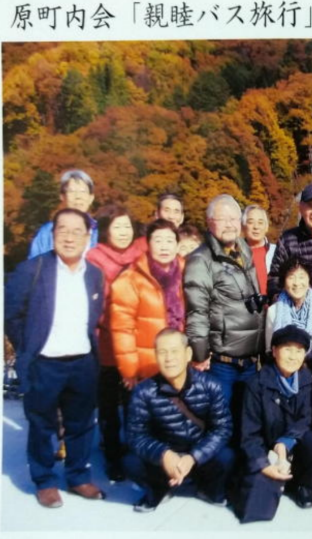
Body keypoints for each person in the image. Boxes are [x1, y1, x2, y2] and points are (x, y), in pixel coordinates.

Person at [5, 208, 106, 508]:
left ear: (88, 237)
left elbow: (94, 317)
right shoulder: (31, 270)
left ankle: (78, 476)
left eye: (77, 231)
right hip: (45, 362)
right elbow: (12, 316)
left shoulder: (94, 274)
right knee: (41, 425)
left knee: (81, 424)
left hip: (82, 362)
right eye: (63, 230)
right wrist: (29, 348)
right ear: (53, 234)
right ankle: (44, 480)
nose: (70, 237)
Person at [124, 328, 234, 512]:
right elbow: (136, 436)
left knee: (227, 457)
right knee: (131, 462)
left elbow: (223, 429)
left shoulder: (210, 386)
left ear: (188, 354)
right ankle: (160, 490)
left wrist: (194, 457)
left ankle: (206, 488)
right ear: (155, 356)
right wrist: (164, 454)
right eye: (162, 352)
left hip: (198, 454)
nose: (169, 358)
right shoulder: (143, 392)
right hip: (165, 456)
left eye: (175, 351)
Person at [235, 325, 312, 522]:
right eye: (287, 349)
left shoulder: (306, 379)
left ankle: (304, 485)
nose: (293, 356)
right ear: (274, 351)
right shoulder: (256, 384)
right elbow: (249, 434)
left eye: (299, 351)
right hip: (265, 445)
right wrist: (264, 464)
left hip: (291, 441)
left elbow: (306, 418)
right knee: (257, 510)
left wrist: (285, 443)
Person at [184, 194, 264, 409]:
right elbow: (197, 312)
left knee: (245, 420)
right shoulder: (200, 260)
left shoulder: (243, 249)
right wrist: (199, 354)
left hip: (249, 359)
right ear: (210, 222)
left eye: (233, 219)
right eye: (222, 219)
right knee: (220, 419)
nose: (229, 225)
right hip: (221, 362)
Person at [85, 205, 144, 481]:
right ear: (106, 231)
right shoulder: (94, 259)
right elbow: (94, 305)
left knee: (135, 403)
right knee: (109, 406)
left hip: (136, 344)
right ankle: (113, 457)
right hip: (107, 344)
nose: (123, 232)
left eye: (127, 226)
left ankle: (136, 453)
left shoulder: (140, 255)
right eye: (116, 227)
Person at [111, 219, 185, 388]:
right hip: (148, 367)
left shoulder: (187, 271)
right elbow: (123, 329)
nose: (164, 247)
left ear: (177, 246)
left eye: (169, 241)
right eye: (158, 241)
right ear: (148, 244)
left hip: (180, 364)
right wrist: (129, 369)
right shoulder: (130, 278)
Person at [265, 256, 312, 372]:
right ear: (283, 281)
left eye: (301, 277)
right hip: (282, 370)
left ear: (309, 280)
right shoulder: (273, 311)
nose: (297, 283)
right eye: (291, 277)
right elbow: (270, 348)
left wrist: (306, 367)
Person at [29, 169, 99, 258]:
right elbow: (35, 262)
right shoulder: (47, 231)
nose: (78, 197)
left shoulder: (100, 231)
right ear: (62, 196)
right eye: (72, 191)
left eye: (83, 191)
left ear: (91, 198)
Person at [242, 204, 276, 296]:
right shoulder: (235, 254)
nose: (256, 227)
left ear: (266, 227)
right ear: (244, 226)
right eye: (251, 222)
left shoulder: (277, 252)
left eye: (260, 223)